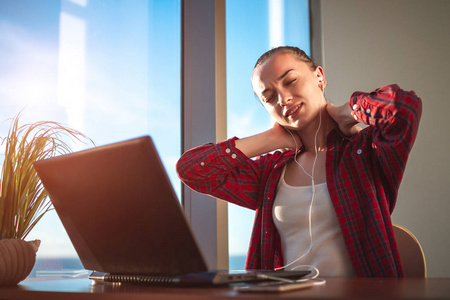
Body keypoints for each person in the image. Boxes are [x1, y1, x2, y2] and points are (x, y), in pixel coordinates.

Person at [176, 46, 422, 277]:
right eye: (269, 97)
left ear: (319, 77)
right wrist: (269, 139)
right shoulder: (271, 172)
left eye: (290, 81)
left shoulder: (365, 150)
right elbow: (192, 170)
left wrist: (347, 112)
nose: (282, 99)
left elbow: (404, 108)